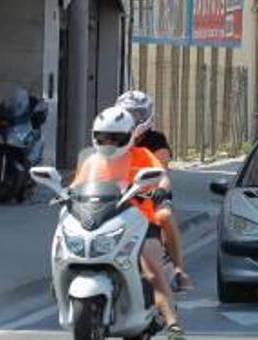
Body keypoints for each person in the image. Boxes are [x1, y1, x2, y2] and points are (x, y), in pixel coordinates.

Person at [75, 107, 184, 340]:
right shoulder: (91, 161)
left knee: (151, 267)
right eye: (102, 137)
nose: (108, 142)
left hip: (140, 220)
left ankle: (172, 322)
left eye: (115, 137)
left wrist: (161, 192)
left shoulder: (142, 155)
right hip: (103, 220)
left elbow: (162, 176)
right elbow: (77, 187)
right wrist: (65, 194)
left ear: (128, 136)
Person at [116, 90, 192, 292]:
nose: (132, 118)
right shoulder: (113, 137)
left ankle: (178, 270)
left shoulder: (156, 140)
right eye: (127, 113)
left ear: (147, 116)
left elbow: (162, 169)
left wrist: (161, 190)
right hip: (116, 195)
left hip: (149, 196)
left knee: (165, 216)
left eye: (137, 114)